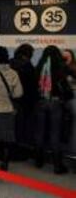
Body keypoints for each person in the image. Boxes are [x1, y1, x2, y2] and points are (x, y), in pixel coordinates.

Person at [35, 45, 73, 174]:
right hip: (55, 103)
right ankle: (57, 165)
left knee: (39, 132)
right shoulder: (61, 68)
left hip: (41, 102)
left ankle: (38, 161)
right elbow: (67, 87)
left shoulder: (39, 66)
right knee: (54, 134)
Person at [10, 44, 39, 148]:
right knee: (22, 127)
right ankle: (20, 150)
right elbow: (32, 85)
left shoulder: (10, 62)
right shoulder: (28, 65)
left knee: (11, 127)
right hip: (24, 101)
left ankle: (8, 151)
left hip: (10, 100)